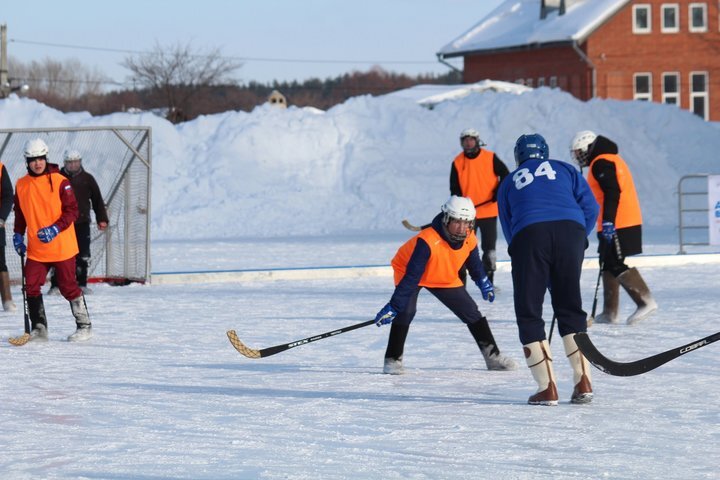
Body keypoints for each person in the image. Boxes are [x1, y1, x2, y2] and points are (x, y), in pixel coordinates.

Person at [497, 134, 599, 406]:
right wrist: (579, 237)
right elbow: (591, 207)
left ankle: (547, 388)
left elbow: (509, 227)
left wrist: (524, 257)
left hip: (529, 235)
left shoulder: (509, 181)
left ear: (519, 156)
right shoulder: (565, 169)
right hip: (571, 231)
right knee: (569, 307)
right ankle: (583, 381)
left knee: (529, 312)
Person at [374, 195, 518, 375]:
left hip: (443, 273)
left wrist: (483, 281)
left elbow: (473, 263)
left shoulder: (469, 237)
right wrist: (394, 306)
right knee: (406, 311)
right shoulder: (427, 241)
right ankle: (392, 360)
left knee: (471, 312)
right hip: (410, 271)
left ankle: (493, 357)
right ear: (447, 218)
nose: (462, 227)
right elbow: (412, 276)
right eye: (457, 222)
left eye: (467, 223)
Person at [570, 130, 657, 324]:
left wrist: (609, 221)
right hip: (610, 222)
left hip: (619, 222)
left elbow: (612, 192)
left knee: (615, 262)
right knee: (607, 262)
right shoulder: (601, 161)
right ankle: (610, 312)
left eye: (579, 152)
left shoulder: (602, 162)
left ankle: (645, 301)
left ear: (588, 148)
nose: (578, 157)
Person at [12, 138, 93, 342]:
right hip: (37, 250)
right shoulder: (21, 185)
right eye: (32, 159)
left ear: (46, 158)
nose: (37, 163)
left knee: (67, 286)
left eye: (40, 158)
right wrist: (18, 235)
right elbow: (21, 215)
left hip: (62, 247)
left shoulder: (59, 181)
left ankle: (84, 325)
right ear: (27, 161)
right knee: (30, 285)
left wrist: (55, 229)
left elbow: (72, 210)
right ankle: (39, 327)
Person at [450, 128, 510, 284]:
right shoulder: (457, 162)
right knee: (463, 246)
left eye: (471, 139)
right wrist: (459, 206)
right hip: (467, 214)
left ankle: (488, 280)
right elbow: (454, 189)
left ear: (477, 141)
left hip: (489, 211)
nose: (468, 142)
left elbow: (505, 174)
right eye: (465, 140)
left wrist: (498, 191)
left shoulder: (490, 157)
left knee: (489, 248)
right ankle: (460, 281)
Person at [48, 149, 109, 295]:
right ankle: (55, 285)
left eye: (76, 162)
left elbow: (97, 200)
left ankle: (81, 284)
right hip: (62, 224)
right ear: (65, 163)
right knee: (59, 254)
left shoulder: (88, 178)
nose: (73, 165)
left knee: (83, 254)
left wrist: (102, 219)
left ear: (80, 162)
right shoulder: (57, 178)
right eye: (70, 162)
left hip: (82, 223)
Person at [0, 159, 16, 312]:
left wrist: (1, 217)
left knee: (0, 262)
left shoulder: (0, 168)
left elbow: (7, 196)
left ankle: (7, 299)